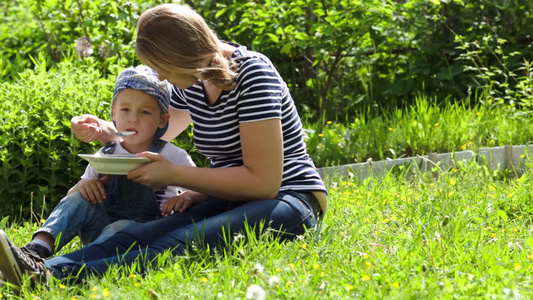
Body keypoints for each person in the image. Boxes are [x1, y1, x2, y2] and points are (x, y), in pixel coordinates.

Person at [0, 3, 327, 288]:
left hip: (291, 198)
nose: (160, 77)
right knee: (138, 236)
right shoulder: (194, 83)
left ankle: (53, 280)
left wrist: (177, 176)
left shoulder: (253, 73)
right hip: (229, 197)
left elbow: (264, 183)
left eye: (161, 67)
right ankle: (31, 268)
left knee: (178, 242)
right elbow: (146, 134)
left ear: (182, 56)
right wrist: (105, 132)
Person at [0, 65, 198, 288]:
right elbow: (71, 198)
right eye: (125, 110)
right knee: (78, 199)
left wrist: (189, 197)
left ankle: (70, 264)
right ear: (113, 113)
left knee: (120, 226)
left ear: (162, 120)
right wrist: (86, 185)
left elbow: (200, 184)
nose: (133, 119)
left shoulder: (170, 154)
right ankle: (36, 249)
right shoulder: (106, 154)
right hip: (99, 228)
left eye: (145, 112)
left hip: (142, 234)